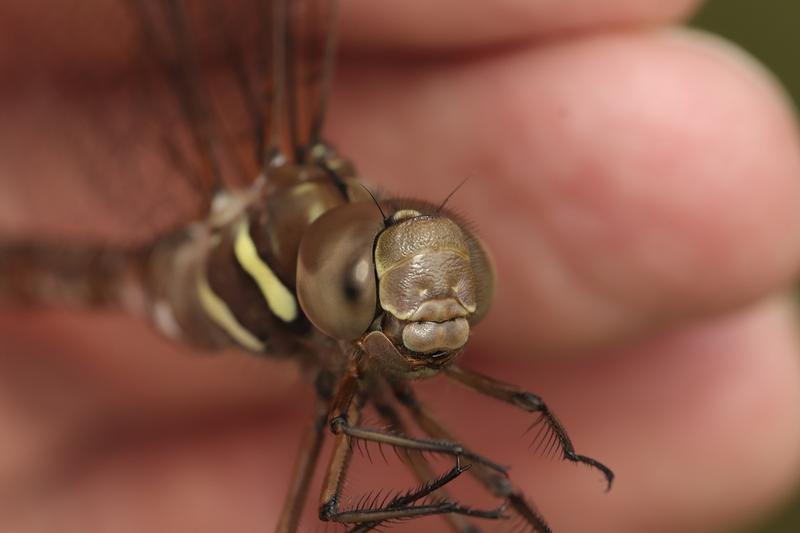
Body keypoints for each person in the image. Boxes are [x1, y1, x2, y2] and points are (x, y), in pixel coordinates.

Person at [1, 1, 799, 531]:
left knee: (488, 487)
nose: (428, 310)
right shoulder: (319, 294)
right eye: (369, 291)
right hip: (94, 267)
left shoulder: (356, 331)